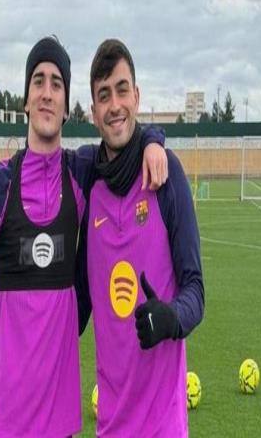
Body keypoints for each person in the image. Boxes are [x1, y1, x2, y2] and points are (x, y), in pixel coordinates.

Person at [0, 35, 167, 437]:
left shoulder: (80, 171)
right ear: (26, 100)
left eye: (56, 84)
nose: (46, 93)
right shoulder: (0, 184)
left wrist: (152, 142)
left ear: (65, 106)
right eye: (38, 81)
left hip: (61, 412)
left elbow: (122, 138)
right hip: (10, 413)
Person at [75, 39, 205, 437]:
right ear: (93, 113)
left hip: (163, 424)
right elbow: (75, 307)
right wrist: (18, 300)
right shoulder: (88, 181)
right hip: (110, 424)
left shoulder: (166, 176)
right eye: (104, 95)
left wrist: (171, 318)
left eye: (122, 90)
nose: (115, 105)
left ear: (137, 96)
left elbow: (195, 290)